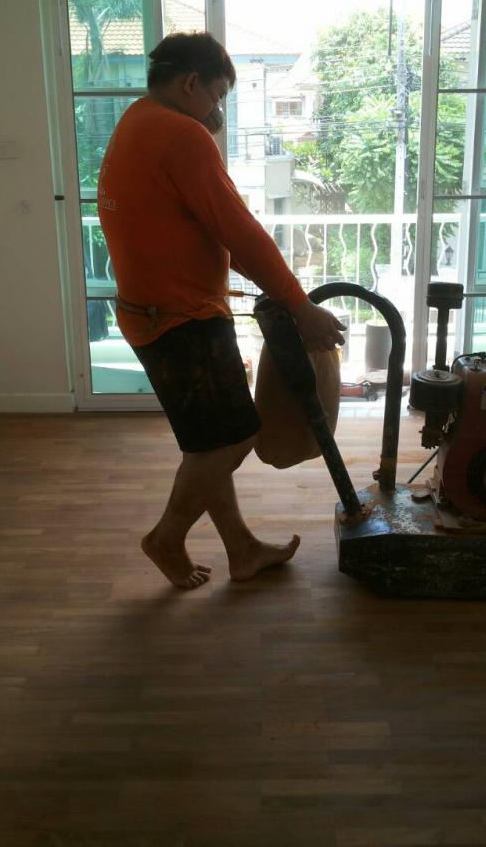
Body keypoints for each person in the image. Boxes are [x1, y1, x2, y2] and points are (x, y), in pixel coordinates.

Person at [98, 31, 345, 590]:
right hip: (180, 319)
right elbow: (240, 231)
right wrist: (299, 304)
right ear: (191, 83)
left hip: (150, 312)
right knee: (233, 439)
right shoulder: (179, 135)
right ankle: (167, 537)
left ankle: (242, 549)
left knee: (210, 443)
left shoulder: (137, 121)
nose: (217, 111)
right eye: (217, 96)